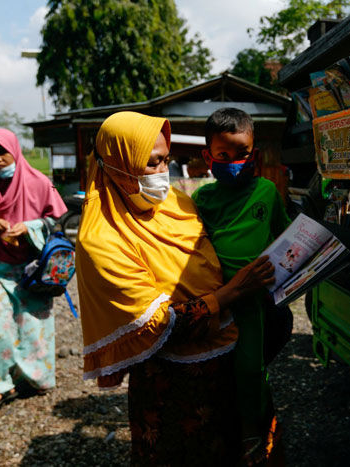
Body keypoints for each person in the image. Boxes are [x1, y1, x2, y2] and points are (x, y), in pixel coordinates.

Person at [75, 111, 275, 466]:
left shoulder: (177, 203)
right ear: (118, 165)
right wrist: (232, 293)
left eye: (166, 159)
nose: (162, 174)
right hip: (173, 382)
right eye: (151, 163)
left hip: (230, 353)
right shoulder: (101, 240)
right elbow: (154, 324)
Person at [193, 107, 291, 466]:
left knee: (251, 368)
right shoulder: (202, 200)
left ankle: (258, 435)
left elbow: (286, 238)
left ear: (256, 154)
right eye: (224, 156)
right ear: (209, 157)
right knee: (216, 374)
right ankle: (231, 436)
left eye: (242, 154)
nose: (233, 162)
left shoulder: (267, 191)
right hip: (217, 299)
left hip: (254, 301)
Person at [0, 128, 67, 411]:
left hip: (33, 268)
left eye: (2, 152)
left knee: (33, 323)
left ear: (15, 150)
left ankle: (36, 378)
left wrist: (31, 226)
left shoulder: (39, 182)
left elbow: (55, 221)